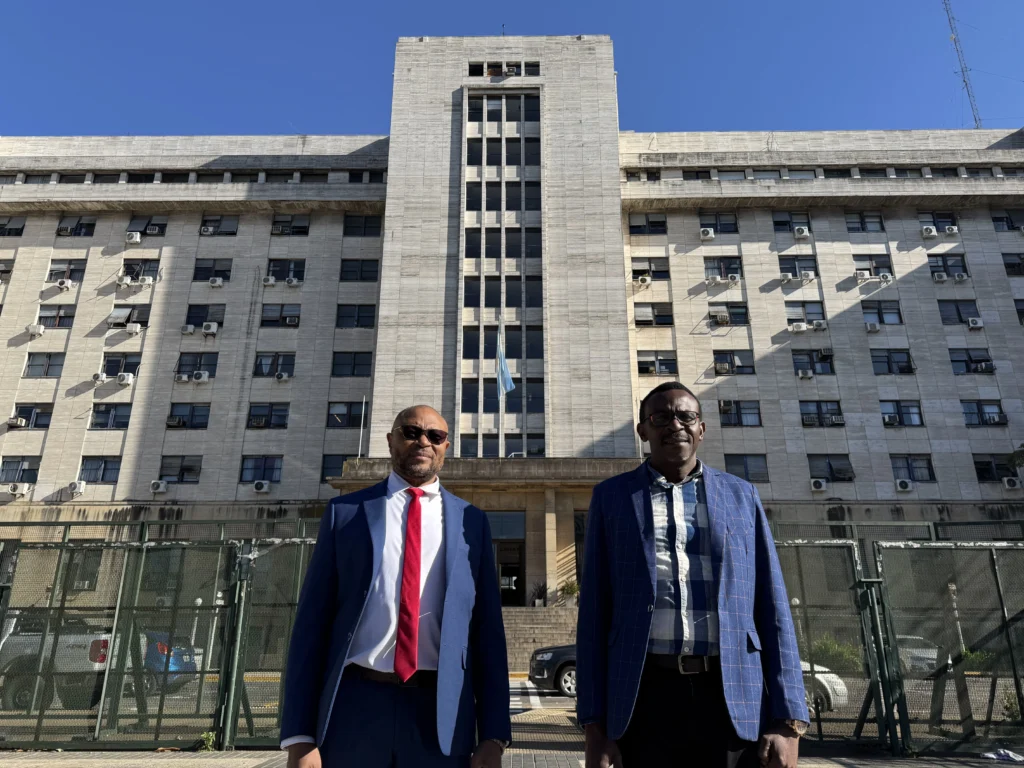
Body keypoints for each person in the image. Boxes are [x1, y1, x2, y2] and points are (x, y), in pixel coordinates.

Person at [577, 382, 809, 768]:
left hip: (731, 694)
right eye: (661, 417)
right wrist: (594, 727)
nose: (675, 425)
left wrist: (788, 721)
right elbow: (594, 616)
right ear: (643, 430)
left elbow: (773, 606)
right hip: (643, 697)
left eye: (686, 416)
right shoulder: (612, 497)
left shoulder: (741, 496)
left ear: (701, 429)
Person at [280, 405, 511, 768]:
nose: (423, 441)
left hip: (441, 714)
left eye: (435, 436)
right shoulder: (346, 514)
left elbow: (488, 635)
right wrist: (299, 736)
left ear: (446, 447)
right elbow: (311, 627)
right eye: (411, 432)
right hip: (355, 708)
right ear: (391, 441)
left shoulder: (473, 522)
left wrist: (494, 736)